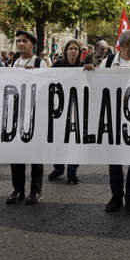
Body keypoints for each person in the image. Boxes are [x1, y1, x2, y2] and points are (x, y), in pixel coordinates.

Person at [84, 30, 130, 216]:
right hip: (114, 116)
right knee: (114, 159)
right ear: (128, 44)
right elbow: (98, 86)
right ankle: (116, 195)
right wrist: (90, 74)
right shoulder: (109, 62)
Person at [7, 30, 48, 205]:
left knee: (35, 155)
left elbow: (47, 85)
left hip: (35, 115)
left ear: (32, 44)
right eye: (18, 41)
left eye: (24, 41)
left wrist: (35, 76)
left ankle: (35, 190)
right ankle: (18, 189)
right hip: (17, 115)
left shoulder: (41, 63)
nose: (20, 44)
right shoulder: (14, 62)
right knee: (16, 155)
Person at [48, 39, 83, 184]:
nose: (73, 51)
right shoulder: (57, 66)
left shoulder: (83, 67)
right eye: (71, 49)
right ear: (66, 51)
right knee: (59, 139)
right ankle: (58, 167)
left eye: (76, 49)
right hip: (59, 108)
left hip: (77, 108)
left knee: (75, 141)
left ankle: (72, 171)